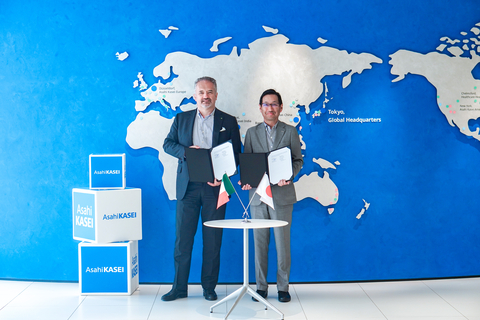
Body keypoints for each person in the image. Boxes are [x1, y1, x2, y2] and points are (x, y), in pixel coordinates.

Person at [162, 76, 241, 301]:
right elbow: (168, 144)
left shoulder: (229, 120)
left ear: (216, 94)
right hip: (187, 187)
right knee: (183, 240)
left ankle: (209, 287)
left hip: (216, 188)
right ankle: (179, 287)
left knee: (213, 240)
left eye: (210, 92)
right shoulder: (181, 119)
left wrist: (223, 177)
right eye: (201, 92)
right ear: (194, 95)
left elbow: (236, 154)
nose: (205, 96)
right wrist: (186, 151)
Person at [241, 89, 303, 303]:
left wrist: (290, 176)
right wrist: (246, 179)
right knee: (259, 244)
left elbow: (298, 160)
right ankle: (261, 287)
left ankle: (283, 288)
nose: (270, 108)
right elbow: (247, 162)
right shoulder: (251, 133)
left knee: (282, 244)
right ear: (260, 108)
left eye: (274, 104)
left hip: (282, 195)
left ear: (281, 107)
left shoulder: (291, 131)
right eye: (266, 104)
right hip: (257, 196)